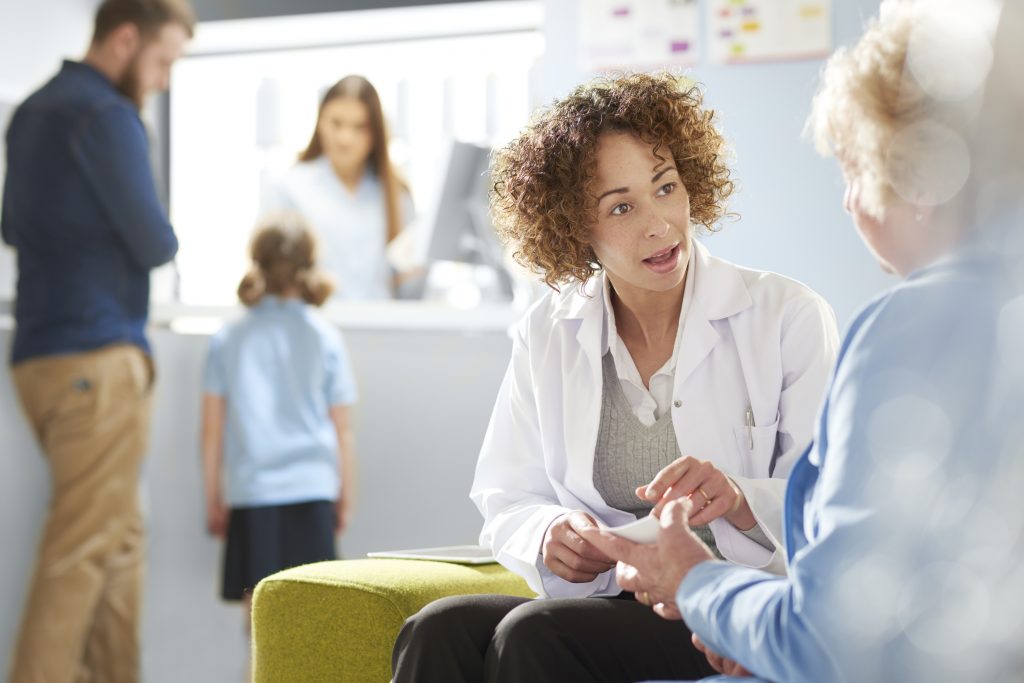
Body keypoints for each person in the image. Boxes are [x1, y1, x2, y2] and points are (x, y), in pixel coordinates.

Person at [582, 3, 1024, 682]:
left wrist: (697, 582)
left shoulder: (905, 329)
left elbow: (835, 642)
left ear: (922, 176)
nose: (848, 202)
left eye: (855, 174)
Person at [391, 72, 840, 683]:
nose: (659, 225)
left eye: (666, 187)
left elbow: (829, 505)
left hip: (726, 602)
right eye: (622, 206)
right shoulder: (547, 332)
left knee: (534, 635)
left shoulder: (786, 316)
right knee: (436, 628)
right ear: (575, 227)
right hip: (610, 597)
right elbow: (506, 494)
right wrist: (549, 532)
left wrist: (736, 499)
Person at [0, 1, 193, 680]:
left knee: (119, 541)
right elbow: (154, 240)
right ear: (125, 38)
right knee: (82, 549)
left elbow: (12, 228)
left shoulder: (30, 111)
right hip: (97, 358)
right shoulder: (108, 116)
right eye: (164, 62)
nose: (164, 79)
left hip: (41, 355)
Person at [200, 212, 358, 630]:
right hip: (313, 488)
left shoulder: (228, 338)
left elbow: (212, 431)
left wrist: (214, 496)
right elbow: (342, 430)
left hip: (252, 494)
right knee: (311, 620)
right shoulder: (324, 336)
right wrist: (345, 492)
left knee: (259, 619)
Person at [261, 74, 413, 301]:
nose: (345, 138)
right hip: (312, 330)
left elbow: (409, 287)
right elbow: (271, 277)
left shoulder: (397, 196)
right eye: (336, 123)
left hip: (380, 329)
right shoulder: (289, 188)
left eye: (359, 127)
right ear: (320, 123)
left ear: (376, 134)